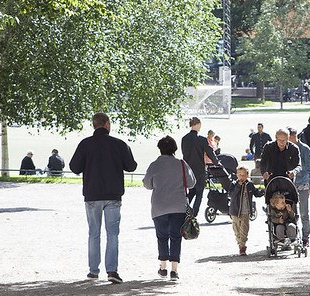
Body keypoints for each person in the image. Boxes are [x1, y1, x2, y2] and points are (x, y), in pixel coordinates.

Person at [70, 112, 138, 284]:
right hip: (113, 195)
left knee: (93, 233)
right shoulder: (119, 144)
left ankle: (93, 271)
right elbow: (131, 166)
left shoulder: (85, 144)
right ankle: (112, 270)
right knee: (112, 234)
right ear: (107, 124)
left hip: (92, 195)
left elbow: (74, 167)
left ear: (94, 125)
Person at [142, 135, 196, 281]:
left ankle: (163, 266)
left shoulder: (154, 165)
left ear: (160, 149)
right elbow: (191, 183)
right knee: (176, 237)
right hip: (178, 205)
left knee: (162, 236)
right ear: (174, 149)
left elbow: (147, 184)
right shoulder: (181, 163)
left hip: (159, 206)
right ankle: (174, 270)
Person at [181, 116, 219, 216]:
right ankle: (194, 213)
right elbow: (210, 152)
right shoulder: (201, 139)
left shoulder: (184, 139)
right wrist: (216, 162)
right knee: (199, 193)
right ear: (198, 125)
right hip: (199, 170)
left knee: (191, 191)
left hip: (187, 169)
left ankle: (184, 210)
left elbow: (184, 153)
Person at [228, 166, 265, 256]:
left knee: (244, 230)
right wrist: (238, 186)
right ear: (237, 175)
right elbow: (231, 195)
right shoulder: (233, 184)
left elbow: (256, 193)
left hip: (245, 211)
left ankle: (242, 247)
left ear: (247, 175)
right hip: (235, 211)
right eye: (240, 175)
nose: (242, 177)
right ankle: (240, 243)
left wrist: (263, 191)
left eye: (244, 175)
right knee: (237, 230)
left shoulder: (250, 185)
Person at [288, 128, 310, 246]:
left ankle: (305, 237)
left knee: (304, 212)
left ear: (295, 136)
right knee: (291, 213)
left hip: (303, 183)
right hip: (290, 184)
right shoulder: (286, 148)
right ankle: (292, 236)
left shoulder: (304, 148)